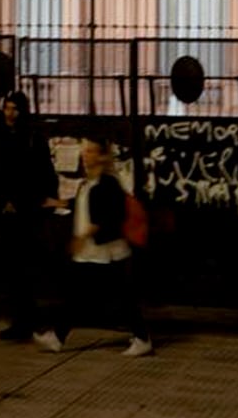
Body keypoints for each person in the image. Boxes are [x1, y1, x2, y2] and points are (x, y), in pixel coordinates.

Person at [35, 136, 153, 357]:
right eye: (84, 151)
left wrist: (82, 237)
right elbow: (83, 205)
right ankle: (58, 337)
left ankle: (142, 338)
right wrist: (58, 203)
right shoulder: (88, 182)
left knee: (116, 297)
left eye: (90, 151)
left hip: (106, 252)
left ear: (101, 156)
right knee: (81, 295)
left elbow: (107, 218)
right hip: (92, 252)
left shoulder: (108, 184)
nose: (85, 155)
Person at [0, 90, 59, 341]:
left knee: (23, 268)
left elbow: (39, 173)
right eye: (7, 108)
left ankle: (24, 320)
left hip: (26, 210)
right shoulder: (1, 137)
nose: (9, 113)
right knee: (14, 269)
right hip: (9, 209)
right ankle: (22, 319)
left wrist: (29, 201)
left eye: (14, 109)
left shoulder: (31, 138)